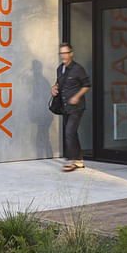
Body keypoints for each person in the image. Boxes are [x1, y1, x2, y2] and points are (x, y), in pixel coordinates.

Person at [51, 42, 90, 172]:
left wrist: (77, 96)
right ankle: (79, 160)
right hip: (65, 107)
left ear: (71, 53)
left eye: (65, 53)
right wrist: (54, 88)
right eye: (61, 53)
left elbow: (86, 85)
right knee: (71, 132)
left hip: (77, 107)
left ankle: (71, 161)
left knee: (69, 132)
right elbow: (58, 83)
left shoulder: (78, 69)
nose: (63, 55)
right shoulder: (59, 69)